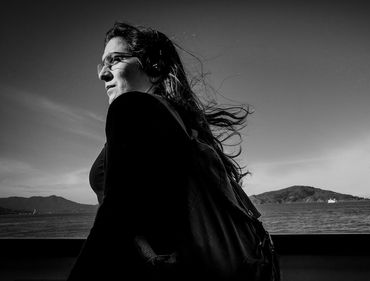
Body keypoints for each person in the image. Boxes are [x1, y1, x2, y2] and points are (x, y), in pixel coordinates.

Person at [67, 22, 279, 281]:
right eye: (102, 64)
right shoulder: (183, 124)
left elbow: (115, 220)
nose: (103, 74)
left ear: (154, 68)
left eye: (116, 60)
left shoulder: (133, 108)